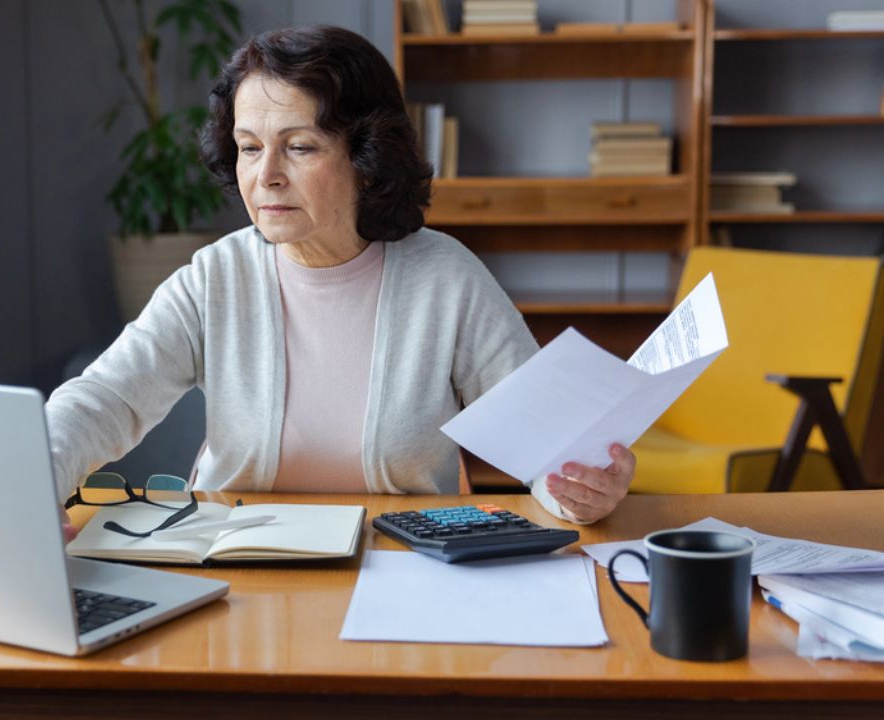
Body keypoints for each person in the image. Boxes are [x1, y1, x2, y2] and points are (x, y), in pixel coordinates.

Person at [46, 25, 635, 536]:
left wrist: (582, 490)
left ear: (366, 157)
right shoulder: (214, 278)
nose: (266, 176)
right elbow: (105, 401)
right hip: (232, 564)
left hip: (403, 562)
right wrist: (34, 475)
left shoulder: (446, 279)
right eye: (249, 148)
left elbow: (548, 446)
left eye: (299, 146)